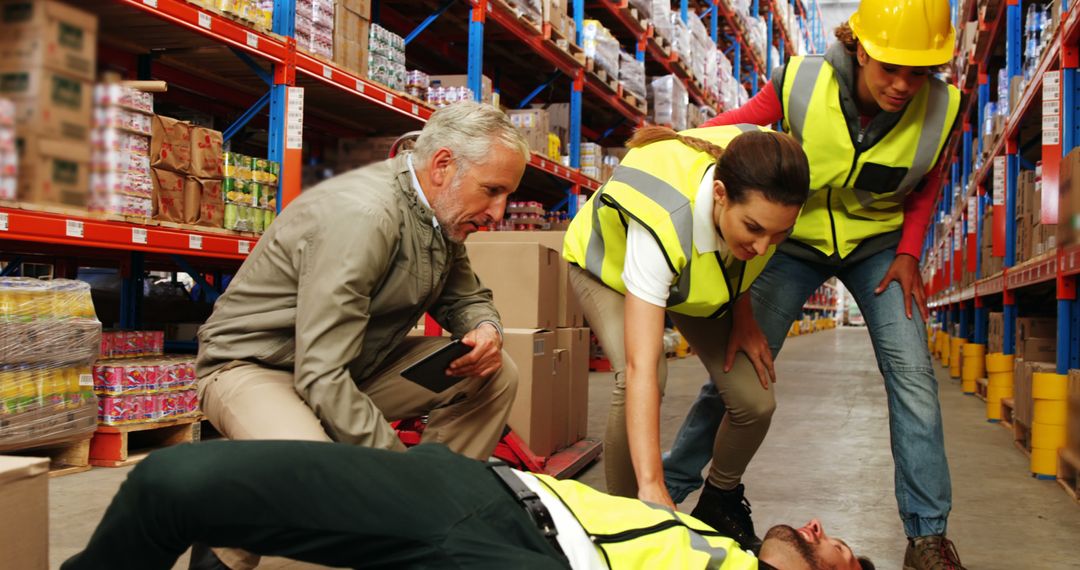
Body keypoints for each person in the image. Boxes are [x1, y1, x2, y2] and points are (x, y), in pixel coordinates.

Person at [662, 0, 965, 567]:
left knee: (914, 378)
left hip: (877, 248)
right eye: (889, 68)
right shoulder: (802, 80)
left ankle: (927, 539)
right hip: (793, 241)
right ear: (858, 46)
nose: (903, 85)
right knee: (738, 370)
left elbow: (925, 188)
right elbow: (735, 131)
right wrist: (670, 145)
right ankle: (668, 495)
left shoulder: (943, 108)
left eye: (917, 71)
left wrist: (908, 254)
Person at [193, 102, 529, 568]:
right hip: (257, 368)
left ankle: (435, 525)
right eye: (492, 191)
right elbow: (321, 374)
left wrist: (485, 329)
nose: (498, 212)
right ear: (443, 165)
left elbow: (464, 297)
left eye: (507, 195)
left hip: (351, 365)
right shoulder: (364, 216)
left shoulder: (439, 216)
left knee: (492, 373)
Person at [562, 124, 811, 550]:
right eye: (753, 228)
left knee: (755, 401)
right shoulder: (663, 221)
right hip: (611, 271)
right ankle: (629, 524)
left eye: (780, 234)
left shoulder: (771, 175)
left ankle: (719, 500)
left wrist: (744, 317)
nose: (765, 246)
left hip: (692, 279)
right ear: (719, 194)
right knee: (641, 376)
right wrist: (652, 484)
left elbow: (747, 257)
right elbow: (641, 366)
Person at [61, 440, 876, 570]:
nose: (815, 529)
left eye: (834, 552)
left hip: (520, 553)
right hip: (478, 490)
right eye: (829, 530)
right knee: (167, 482)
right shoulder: (714, 542)